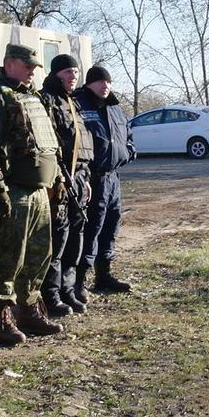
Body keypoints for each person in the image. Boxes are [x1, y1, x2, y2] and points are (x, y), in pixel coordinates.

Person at [0, 44, 63, 343]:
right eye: (27, 66)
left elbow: (49, 144)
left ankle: (30, 310)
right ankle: (3, 317)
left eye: (34, 68)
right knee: (9, 257)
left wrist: (58, 181)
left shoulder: (34, 96)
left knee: (40, 254)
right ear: (9, 63)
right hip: (14, 189)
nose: (31, 72)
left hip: (40, 190)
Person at [39, 54, 94, 317]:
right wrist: (58, 179)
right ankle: (51, 294)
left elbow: (83, 146)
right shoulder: (47, 100)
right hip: (60, 179)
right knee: (58, 239)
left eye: (76, 72)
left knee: (76, 236)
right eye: (68, 72)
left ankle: (67, 290)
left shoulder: (73, 102)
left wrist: (86, 179)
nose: (73, 76)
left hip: (80, 178)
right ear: (56, 74)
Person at [74, 66, 135, 298]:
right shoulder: (80, 104)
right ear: (89, 83)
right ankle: (79, 282)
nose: (105, 86)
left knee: (111, 226)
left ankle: (103, 275)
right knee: (91, 229)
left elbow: (128, 135)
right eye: (100, 81)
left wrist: (128, 152)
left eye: (108, 82)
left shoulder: (115, 108)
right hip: (92, 178)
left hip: (113, 178)